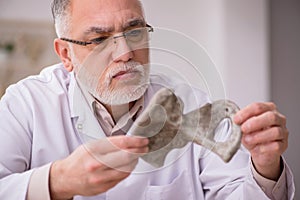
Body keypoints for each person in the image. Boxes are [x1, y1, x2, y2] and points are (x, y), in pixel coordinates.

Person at [0, 0, 295, 199]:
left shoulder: (193, 104)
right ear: (66, 54)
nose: (125, 53)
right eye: (100, 39)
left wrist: (265, 166)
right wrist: (57, 180)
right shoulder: (26, 105)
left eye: (135, 31)